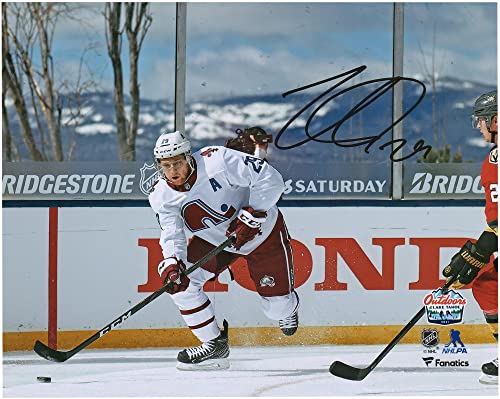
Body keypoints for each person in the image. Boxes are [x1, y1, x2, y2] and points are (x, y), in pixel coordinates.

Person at [148, 130, 298, 370]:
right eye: (166, 165)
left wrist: (254, 213)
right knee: (181, 284)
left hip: (262, 234)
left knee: (277, 309)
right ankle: (214, 344)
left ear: (188, 157)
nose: (173, 171)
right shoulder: (161, 195)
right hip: (215, 241)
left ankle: (287, 308)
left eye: (177, 162)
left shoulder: (217, 160)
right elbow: (171, 232)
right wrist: (173, 261)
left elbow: (271, 179)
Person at [442, 90, 498, 385]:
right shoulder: (493, 159)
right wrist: (481, 247)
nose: (478, 126)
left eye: (481, 120)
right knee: (488, 283)